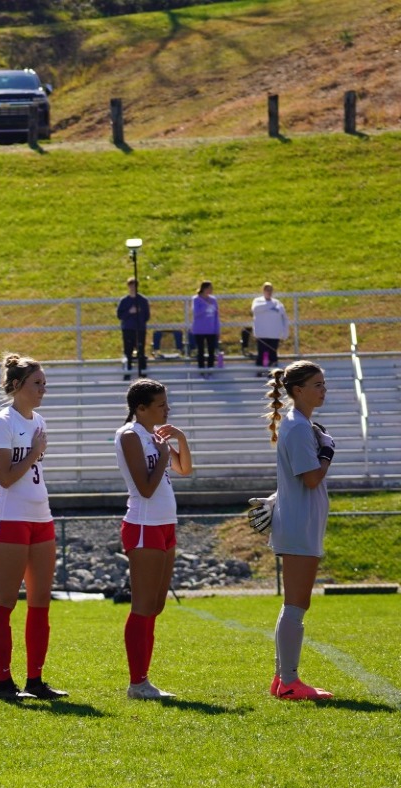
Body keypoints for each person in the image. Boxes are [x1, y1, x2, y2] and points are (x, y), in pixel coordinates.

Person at [0, 355, 67, 702]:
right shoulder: (2, 422)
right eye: (37, 383)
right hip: (12, 519)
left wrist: (33, 455)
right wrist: (32, 453)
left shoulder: (40, 420)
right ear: (17, 386)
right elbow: (6, 477)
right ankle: (5, 683)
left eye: (44, 384)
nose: (43, 390)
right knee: (4, 603)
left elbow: (30, 475)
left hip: (40, 517)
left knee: (40, 603)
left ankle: (35, 679)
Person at [115, 378, 192, 700]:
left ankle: (143, 681)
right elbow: (145, 488)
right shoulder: (130, 435)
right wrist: (162, 454)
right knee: (143, 606)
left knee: (156, 605)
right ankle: (138, 682)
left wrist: (180, 440)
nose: (167, 408)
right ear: (141, 408)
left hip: (165, 524)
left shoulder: (153, 435)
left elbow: (184, 469)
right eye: (160, 404)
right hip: (144, 524)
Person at [266, 361, 335, 700]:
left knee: (294, 603)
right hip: (298, 523)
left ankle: (283, 679)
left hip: (300, 521)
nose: (323, 390)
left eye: (323, 383)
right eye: (317, 385)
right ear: (297, 390)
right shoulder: (296, 426)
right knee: (296, 604)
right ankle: (290, 681)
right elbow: (310, 478)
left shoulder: (299, 424)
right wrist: (327, 453)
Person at [117, 278, 151, 381]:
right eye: (130, 286)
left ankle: (143, 373)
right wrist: (129, 312)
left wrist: (139, 315)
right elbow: (119, 315)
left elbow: (147, 316)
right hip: (128, 329)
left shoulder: (143, 300)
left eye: (134, 286)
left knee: (141, 351)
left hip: (139, 329)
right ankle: (127, 372)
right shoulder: (124, 301)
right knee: (128, 351)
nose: (132, 288)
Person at [251, 282, 288, 376]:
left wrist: (285, 331)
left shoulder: (277, 302)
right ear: (263, 291)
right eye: (267, 290)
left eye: (270, 290)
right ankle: (259, 372)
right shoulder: (258, 301)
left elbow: (283, 316)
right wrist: (270, 305)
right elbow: (255, 309)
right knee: (261, 353)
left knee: (273, 354)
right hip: (262, 333)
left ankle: (272, 374)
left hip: (274, 334)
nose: (269, 292)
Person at [187, 281, 220, 375]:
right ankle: (201, 369)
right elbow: (196, 313)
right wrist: (206, 304)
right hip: (199, 330)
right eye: (209, 288)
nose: (211, 290)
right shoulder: (196, 299)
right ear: (204, 289)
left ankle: (210, 369)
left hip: (211, 330)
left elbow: (216, 315)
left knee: (211, 350)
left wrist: (217, 329)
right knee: (200, 350)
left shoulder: (213, 299)